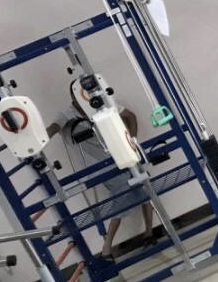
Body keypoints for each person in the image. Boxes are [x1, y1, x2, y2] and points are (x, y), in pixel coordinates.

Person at [46, 86, 155, 262]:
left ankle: (149, 233)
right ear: (73, 97)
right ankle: (107, 248)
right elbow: (53, 128)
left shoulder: (100, 103)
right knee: (123, 196)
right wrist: (38, 141)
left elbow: (130, 116)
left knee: (144, 189)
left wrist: (132, 142)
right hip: (102, 166)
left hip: (123, 153)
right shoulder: (66, 115)